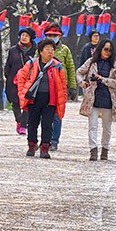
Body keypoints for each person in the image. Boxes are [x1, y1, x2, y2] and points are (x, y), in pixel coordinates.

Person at [16, 36, 68, 159]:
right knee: (32, 123)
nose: (50, 52)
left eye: (52, 49)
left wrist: (63, 98)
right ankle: (32, 145)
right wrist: (23, 93)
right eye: (47, 49)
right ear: (41, 51)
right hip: (33, 99)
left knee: (47, 124)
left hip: (50, 100)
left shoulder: (57, 66)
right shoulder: (31, 64)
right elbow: (21, 79)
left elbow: (62, 85)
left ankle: (45, 148)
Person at [78, 37, 116, 160]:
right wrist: (83, 83)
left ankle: (105, 150)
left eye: (110, 50)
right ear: (100, 49)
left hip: (109, 100)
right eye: (105, 49)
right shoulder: (91, 62)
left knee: (107, 128)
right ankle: (93, 150)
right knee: (92, 126)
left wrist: (103, 79)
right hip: (93, 99)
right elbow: (79, 72)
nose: (107, 52)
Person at [42, 22, 77, 153]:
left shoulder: (65, 50)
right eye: (49, 35)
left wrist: (73, 87)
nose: (52, 37)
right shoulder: (40, 49)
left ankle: (54, 140)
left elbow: (71, 68)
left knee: (57, 115)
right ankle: (45, 139)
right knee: (44, 115)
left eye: (55, 35)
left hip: (60, 87)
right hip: (44, 87)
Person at [4, 27, 35, 135]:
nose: (24, 37)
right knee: (16, 102)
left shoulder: (35, 50)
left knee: (27, 102)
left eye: (26, 36)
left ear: (31, 38)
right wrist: (9, 77)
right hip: (14, 81)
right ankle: (19, 121)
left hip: (29, 81)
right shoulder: (13, 50)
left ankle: (23, 125)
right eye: (22, 35)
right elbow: (8, 66)